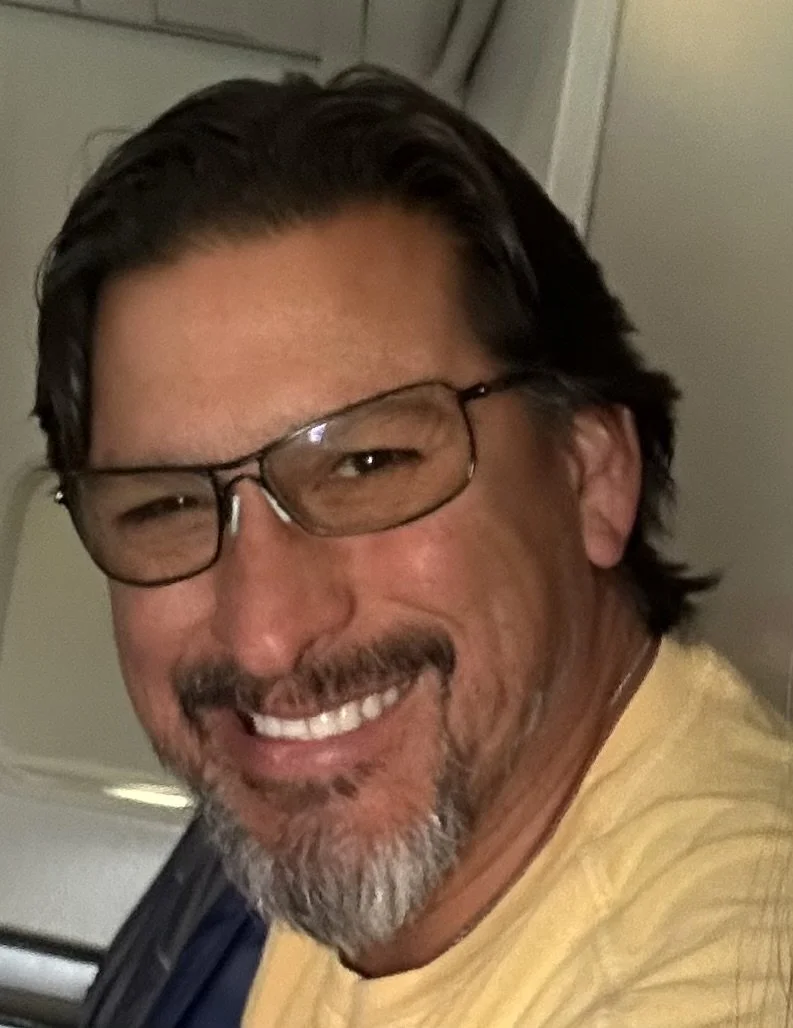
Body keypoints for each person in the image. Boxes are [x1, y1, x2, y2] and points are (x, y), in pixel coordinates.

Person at [33, 67, 793, 1026]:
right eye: (165, 505)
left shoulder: (725, 974)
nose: (265, 637)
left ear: (590, 474)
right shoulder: (401, 844)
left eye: (368, 463)